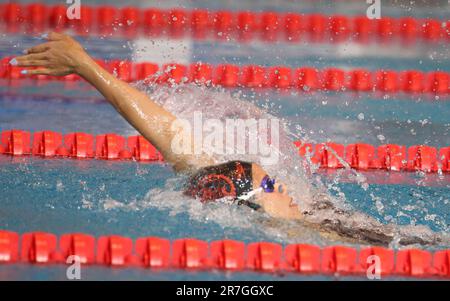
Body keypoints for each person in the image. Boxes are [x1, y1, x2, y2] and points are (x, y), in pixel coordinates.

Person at [11, 32, 447, 247]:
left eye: (270, 181)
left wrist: (85, 64)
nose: (281, 185)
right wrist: (84, 64)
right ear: (252, 202)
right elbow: (164, 131)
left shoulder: (258, 194)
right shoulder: (300, 231)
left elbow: (169, 130)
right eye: (270, 186)